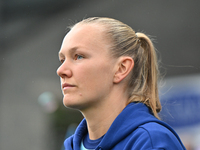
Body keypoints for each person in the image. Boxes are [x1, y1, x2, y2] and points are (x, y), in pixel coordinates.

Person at [57, 17, 186, 150]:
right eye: (62, 60)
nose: (61, 71)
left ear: (121, 69)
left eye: (79, 56)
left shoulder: (152, 142)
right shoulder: (71, 146)